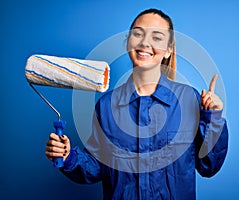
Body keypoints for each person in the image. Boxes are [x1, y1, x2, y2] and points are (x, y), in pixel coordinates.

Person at [45, 8, 228, 200]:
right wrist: (68, 157)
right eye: (138, 34)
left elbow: (209, 166)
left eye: (156, 37)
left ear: (169, 49)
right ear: (128, 43)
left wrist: (212, 118)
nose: (145, 42)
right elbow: (96, 168)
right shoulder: (107, 106)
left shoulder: (190, 100)